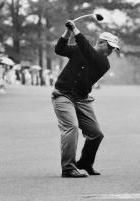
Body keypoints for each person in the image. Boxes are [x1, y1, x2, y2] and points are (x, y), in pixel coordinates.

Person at [51, 20, 120, 178]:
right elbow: (59, 49)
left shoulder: (103, 62)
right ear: (100, 42)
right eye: (109, 46)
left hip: (81, 99)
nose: (110, 51)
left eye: (113, 49)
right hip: (62, 94)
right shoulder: (79, 50)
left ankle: (85, 163)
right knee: (71, 128)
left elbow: (90, 54)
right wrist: (68, 32)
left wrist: (75, 29)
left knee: (96, 133)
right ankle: (68, 167)